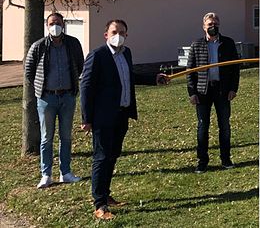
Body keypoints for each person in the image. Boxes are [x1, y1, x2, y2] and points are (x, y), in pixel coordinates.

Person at [79, 19, 167, 220]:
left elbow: (129, 76)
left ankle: (106, 194)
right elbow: (86, 87)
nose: (118, 35)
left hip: (122, 114)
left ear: (126, 35)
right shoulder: (97, 55)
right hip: (102, 117)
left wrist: (153, 78)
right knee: (101, 157)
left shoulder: (126, 53)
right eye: (114, 31)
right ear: (106, 35)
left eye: (122, 32)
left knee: (113, 155)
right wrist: (87, 117)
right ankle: (99, 204)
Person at [24, 12, 84, 189]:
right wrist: (40, 88)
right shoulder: (39, 46)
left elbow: (80, 65)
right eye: (52, 23)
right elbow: (29, 70)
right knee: (46, 138)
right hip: (46, 98)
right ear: (47, 25)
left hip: (67, 96)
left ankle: (65, 172)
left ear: (63, 24)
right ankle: (46, 174)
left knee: (65, 137)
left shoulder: (72, 44)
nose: (55, 25)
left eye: (58, 22)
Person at [187, 12, 240, 173]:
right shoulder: (196, 45)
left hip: (223, 90)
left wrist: (233, 89)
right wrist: (192, 92)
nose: (213, 26)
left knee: (224, 125)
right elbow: (190, 71)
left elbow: (235, 69)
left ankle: (226, 158)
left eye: (215, 23)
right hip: (203, 91)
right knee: (203, 126)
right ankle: (202, 161)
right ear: (204, 26)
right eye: (210, 24)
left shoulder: (228, 43)